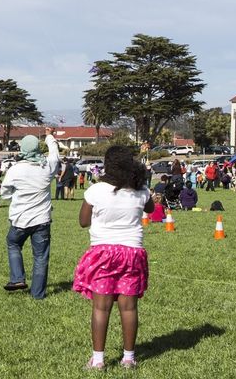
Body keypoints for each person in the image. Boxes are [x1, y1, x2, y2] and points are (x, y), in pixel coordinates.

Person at [73, 145, 154, 371]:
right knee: (129, 308)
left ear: (107, 165)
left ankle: (98, 360)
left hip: (103, 253)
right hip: (132, 252)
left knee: (101, 308)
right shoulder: (141, 190)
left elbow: (83, 221)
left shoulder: (96, 191)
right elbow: (151, 207)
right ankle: (129, 358)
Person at [0, 131, 60, 299]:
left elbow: (4, 193)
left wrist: (17, 196)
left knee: (13, 244)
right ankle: (38, 294)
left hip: (20, 218)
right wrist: (49, 136)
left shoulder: (15, 170)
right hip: (42, 220)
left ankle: (17, 278)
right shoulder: (46, 167)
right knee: (41, 257)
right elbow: (55, 154)